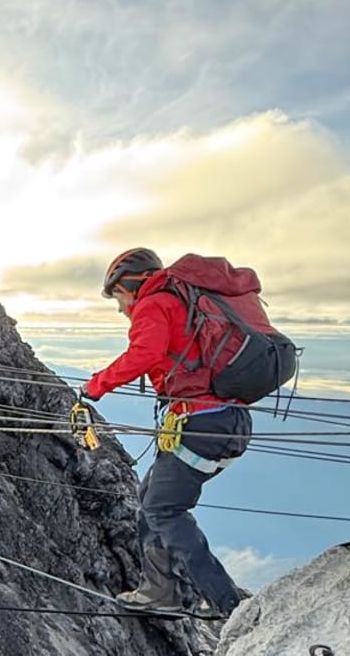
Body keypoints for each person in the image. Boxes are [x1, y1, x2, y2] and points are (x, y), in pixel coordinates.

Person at [82, 248, 251, 617]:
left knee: (164, 509)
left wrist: (96, 385)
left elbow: (145, 353)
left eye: (119, 297)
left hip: (201, 423)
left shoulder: (155, 303)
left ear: (130, 285)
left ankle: (228, 603)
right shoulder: (183, 304)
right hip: (224, 421)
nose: (121, 308)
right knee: (151, 500)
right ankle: (161, 591)